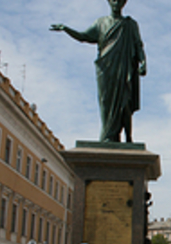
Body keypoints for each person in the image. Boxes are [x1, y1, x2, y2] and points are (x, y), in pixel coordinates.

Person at [50, 0, 146, 143]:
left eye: (120, 0)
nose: (116, 2)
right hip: (105, 68)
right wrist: (66, 29)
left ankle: (127, 138)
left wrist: (143, 62)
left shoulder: (130, 24)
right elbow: (84, 36)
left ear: (124, 3)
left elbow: (138, 45)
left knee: (125, 102)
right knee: (106, 103)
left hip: (124, 67)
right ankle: (108, 135)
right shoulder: (100, 23)